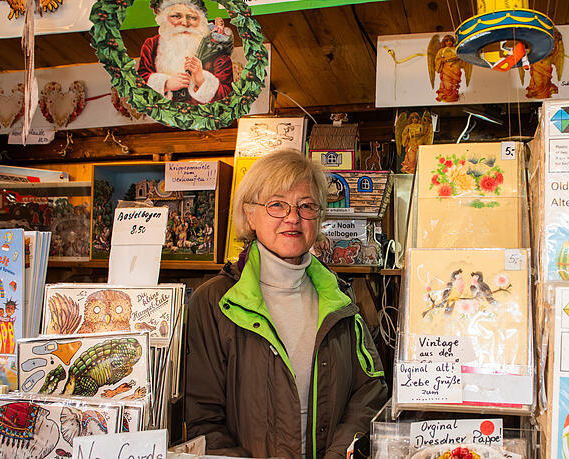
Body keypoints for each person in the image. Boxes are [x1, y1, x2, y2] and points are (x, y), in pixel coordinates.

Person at [185, 149, 388, 458]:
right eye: (277, 205)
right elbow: (201, 419)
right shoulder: (214, 302)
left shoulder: (338, 297)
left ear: (318, 218)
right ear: (250, 214)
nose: (293, 217)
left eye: (306, 206)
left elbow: (369, 391)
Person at [138, 0, 234, 104]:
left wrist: (201, 79)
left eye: (192, 17)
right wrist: (166, 84)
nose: (184, 23)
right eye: (176, 16)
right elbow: (140, 81)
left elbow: (227, 95)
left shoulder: (215, 46)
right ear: (164, 18)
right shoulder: (152, 44)